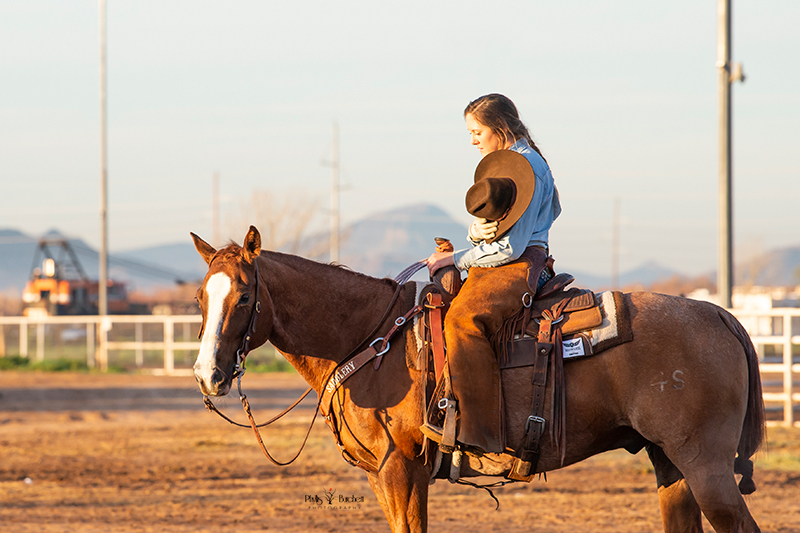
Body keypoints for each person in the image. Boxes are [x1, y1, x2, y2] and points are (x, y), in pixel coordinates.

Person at [421, 93, 561, 454]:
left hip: (518, 263)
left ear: (499, 128)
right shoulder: (523, 160)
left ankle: (481, 434)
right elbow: (550, 210)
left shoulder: (525, 167)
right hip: (515, 254)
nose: (472, 140)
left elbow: (510, 248)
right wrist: (476, 232)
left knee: (460, 322)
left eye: (476, 131)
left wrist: (458, 260)